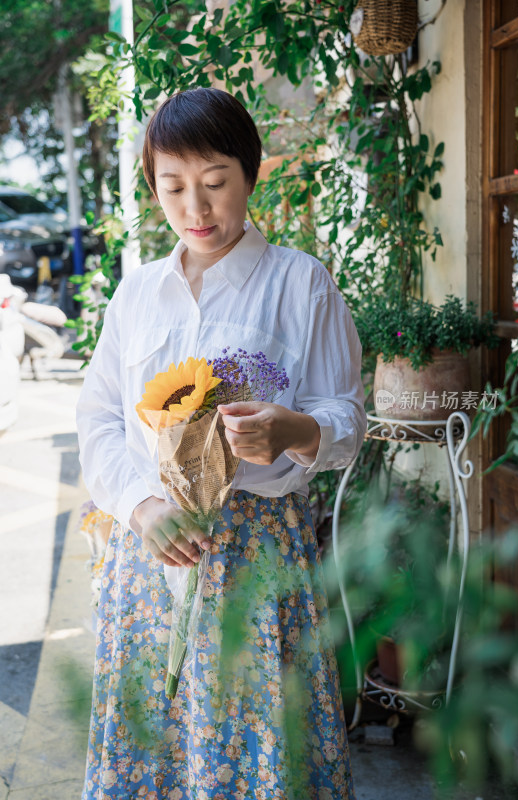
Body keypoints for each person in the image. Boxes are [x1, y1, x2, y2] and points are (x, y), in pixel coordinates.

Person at [76, 87, 365, 800]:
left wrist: (293, 429)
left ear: (250, 173)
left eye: (214, 184)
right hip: (151, 556)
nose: (196, 210)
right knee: (156, 752)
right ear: (153, 187)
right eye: (173, 187)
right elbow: (100, 418)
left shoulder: (301, 284)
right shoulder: (136, 294)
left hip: (258, 559)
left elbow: (348, 415)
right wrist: (140, 507)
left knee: (258, 746)